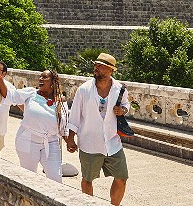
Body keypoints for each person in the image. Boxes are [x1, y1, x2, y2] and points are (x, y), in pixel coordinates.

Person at [66, 53, 130, 206]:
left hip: (112, 142)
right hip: (89, 143)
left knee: (122, 177)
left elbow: (127, 105)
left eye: (100, 66)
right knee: (87, 179)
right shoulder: (84, 90)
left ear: (110, 70)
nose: (96, 68)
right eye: (96, 65)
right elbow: (74, 115)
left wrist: (123, 110)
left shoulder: (120, 89)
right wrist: (70, 138)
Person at [7, 69, 69, 183]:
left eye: (44, 77)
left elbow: (63, 125)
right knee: (28, 178)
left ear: (53, 82)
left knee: (56, 180)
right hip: (27, 140)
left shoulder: (61, 100)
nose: (40, 79)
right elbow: (10, 96)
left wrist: (69, 142)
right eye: (40, 77)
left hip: (51, 142)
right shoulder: (31, 93)